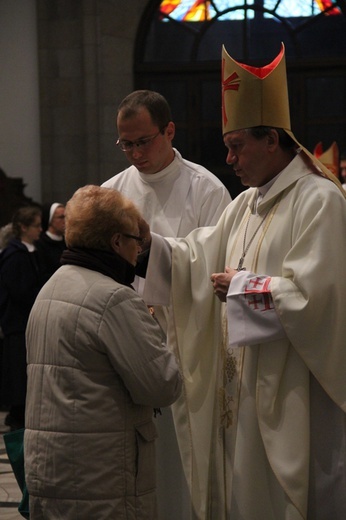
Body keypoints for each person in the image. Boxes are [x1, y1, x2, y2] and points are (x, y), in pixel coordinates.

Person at [138, 44, 346, 520]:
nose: (227, 158)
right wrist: (145, 245)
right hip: (243, 390)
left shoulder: (318, 200)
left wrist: (243, 286)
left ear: (272, 139)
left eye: (237, 146)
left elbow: (319, 301)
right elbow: (197, 255)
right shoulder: (246, 203)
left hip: (293, 391)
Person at [102, 89, 231, 519]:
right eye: (126, 143)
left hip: (189, 344)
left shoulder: (206, 189)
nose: (135, 153)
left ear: (169, 131)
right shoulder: (112, 193)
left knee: (185, 463)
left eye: (144, 141)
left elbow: (218, 268)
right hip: (127, 343)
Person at [24, 185, 182, 520]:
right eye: (134, 240)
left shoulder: (51, 288)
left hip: (51, 471)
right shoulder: (114, 299)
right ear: (116, 242)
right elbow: (162, 385)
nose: (138, 250)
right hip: (102, 479)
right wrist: (154, 327)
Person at [0, 205, 43, 431]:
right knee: (17, 372)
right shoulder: (14, 255)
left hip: (25, 320)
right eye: (36, 226)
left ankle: (20, 414)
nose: (40, 230)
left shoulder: (28, 251)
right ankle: (17, 416)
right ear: (23, 227)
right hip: (17, 322)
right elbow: (19, 290)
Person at [35, 202, 66, 282]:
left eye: (66, 217)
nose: (65, 221)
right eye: (61, 217)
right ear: (50, 220)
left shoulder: (67, 241)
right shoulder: (40, 243)